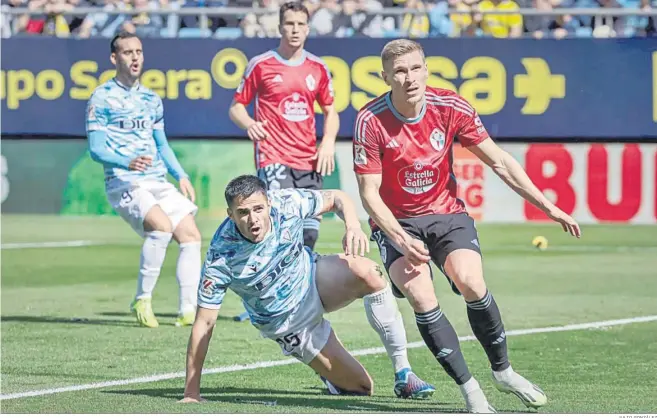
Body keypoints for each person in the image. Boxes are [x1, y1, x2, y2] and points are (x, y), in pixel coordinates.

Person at [353, 39, 581, 413]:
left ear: (426, 69)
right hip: (396, 222)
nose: (409, 78)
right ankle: (472, 392)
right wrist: (399, 238)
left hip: (446, 214)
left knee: (472, 282)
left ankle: (503, 372)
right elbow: (369, 194)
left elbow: (500, 162)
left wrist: (549, 207)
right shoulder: (370, 119)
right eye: (399, 71)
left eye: (415, 68)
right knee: (423, 296)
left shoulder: (451, 106)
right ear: (386, 77)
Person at [180, 175, 435, 402]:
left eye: (258, 209)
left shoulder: (287, 203)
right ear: (230, 214)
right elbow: (204, 323)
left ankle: (404, 373)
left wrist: (353, 226)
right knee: (361, 388)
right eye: (243, 212)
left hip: (314, 277)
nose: (253, 219)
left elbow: (338, 197)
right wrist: (192, 392)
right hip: (287, 322)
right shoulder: (221, 256)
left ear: (268, 203)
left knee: (370, 272)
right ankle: (328, 373)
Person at [85, 32, 202, 328]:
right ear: (115, 58)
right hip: (124, 180)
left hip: (156, 180)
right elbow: (96, 149)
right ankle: (142, 299)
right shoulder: (101, 97)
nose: (135, 57)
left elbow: (162, 145)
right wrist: (126, 161)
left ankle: (188, 309)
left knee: (190, 234)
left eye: (139, 51)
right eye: (128, 52)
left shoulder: (151, 99)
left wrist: (181, 175)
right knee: (161, 227)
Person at [228, 1, 338, 252]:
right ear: (280, 27)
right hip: (273, 157)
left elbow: (331, 110)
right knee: (281, 229)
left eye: (300, 24)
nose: (295, 29)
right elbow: (235, 107)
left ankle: (301, 288)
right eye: (289, 24)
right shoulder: (261, 64)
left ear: (308, 29)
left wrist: (329, 141)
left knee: (309, 235)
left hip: (309, 159)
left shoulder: (318, 67)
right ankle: (269, 285)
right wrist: (250, 124)